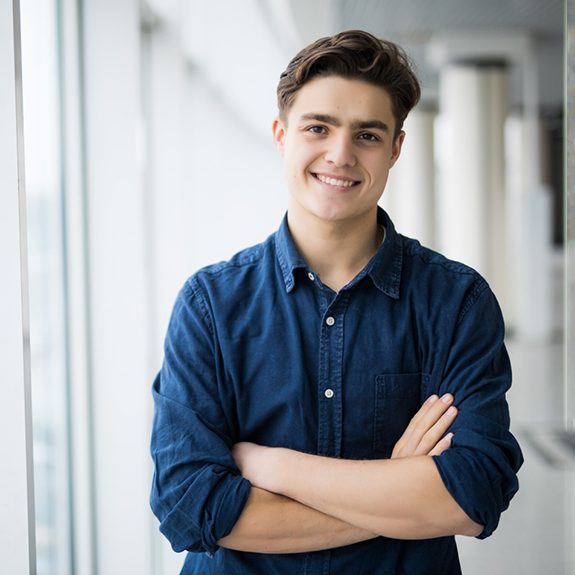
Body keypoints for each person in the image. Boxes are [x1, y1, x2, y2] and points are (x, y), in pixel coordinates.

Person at [150, 29, 523, 574]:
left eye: (367, 135)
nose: (340, 154)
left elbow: (474, 493)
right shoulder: (210, 304)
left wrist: (272, 467)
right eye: (318, 128)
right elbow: (192, 508)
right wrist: (400, 489)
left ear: (396, 148)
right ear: (281, 136)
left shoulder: (455, 300)